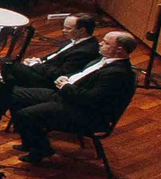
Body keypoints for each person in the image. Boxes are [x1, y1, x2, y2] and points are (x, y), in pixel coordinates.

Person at [8, 30, 139, 165]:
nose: (100, 43)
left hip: (84, 113)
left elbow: (91, 99)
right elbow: (82, 76)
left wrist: (65, 86)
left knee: (27, 114)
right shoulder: (104, 59)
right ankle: (30, 141)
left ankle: (42, 150)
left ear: (119, 49)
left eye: (106, 42)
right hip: (68, 96)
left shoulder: (117, 73)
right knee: (14, 94)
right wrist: (67, 79)